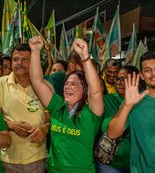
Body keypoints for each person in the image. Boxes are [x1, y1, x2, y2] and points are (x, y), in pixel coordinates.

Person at [29, 36, 104, 173]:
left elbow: (96, 90)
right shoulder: (57, 106)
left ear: (85, 90)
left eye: (74, 84)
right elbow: (37, 82)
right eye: (66, 84)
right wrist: (35, 52)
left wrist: (85, 57)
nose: (67, 87)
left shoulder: (91, 113)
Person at [0, 43, 49, 173]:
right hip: (8, 158)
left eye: (24, 59)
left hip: (37, 157)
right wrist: (12, 126)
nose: (19, 63)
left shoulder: (45, 86)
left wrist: (43, 129)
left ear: (34, 62)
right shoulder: (0, 84)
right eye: (15, 59)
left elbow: (51, 119)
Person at [97, 65, 141, 173]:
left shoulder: (143, 101)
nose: (119, 82)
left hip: (137, 163)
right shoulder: (107, 100)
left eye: (124, 79)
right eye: (118, 79)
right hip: (110, 164)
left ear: (136, 80)